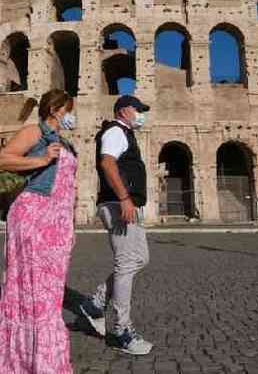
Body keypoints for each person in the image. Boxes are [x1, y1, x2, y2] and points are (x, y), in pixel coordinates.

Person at [0, 89, 78, 373]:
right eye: (69, 110)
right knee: (34, 287)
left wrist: (69, 223)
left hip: (57, 223)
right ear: (55, 110)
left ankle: (43, 356)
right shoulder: (34, 132)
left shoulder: (63, 141)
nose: (72, 116)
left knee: (51, 291)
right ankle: (33, 359)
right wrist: (41, 161)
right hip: (33, 216)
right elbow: (2, 160)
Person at [79, 95, 154, 356]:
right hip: (117, 204)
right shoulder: (115, 131)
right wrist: (124, 197)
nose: (141, 114)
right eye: (138, 110)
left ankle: (95, 303)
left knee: (140, 259)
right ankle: (122, 331)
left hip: (125, 204)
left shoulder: (124, 133)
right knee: (126, 262)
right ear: (124, 111)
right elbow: (107, 163)